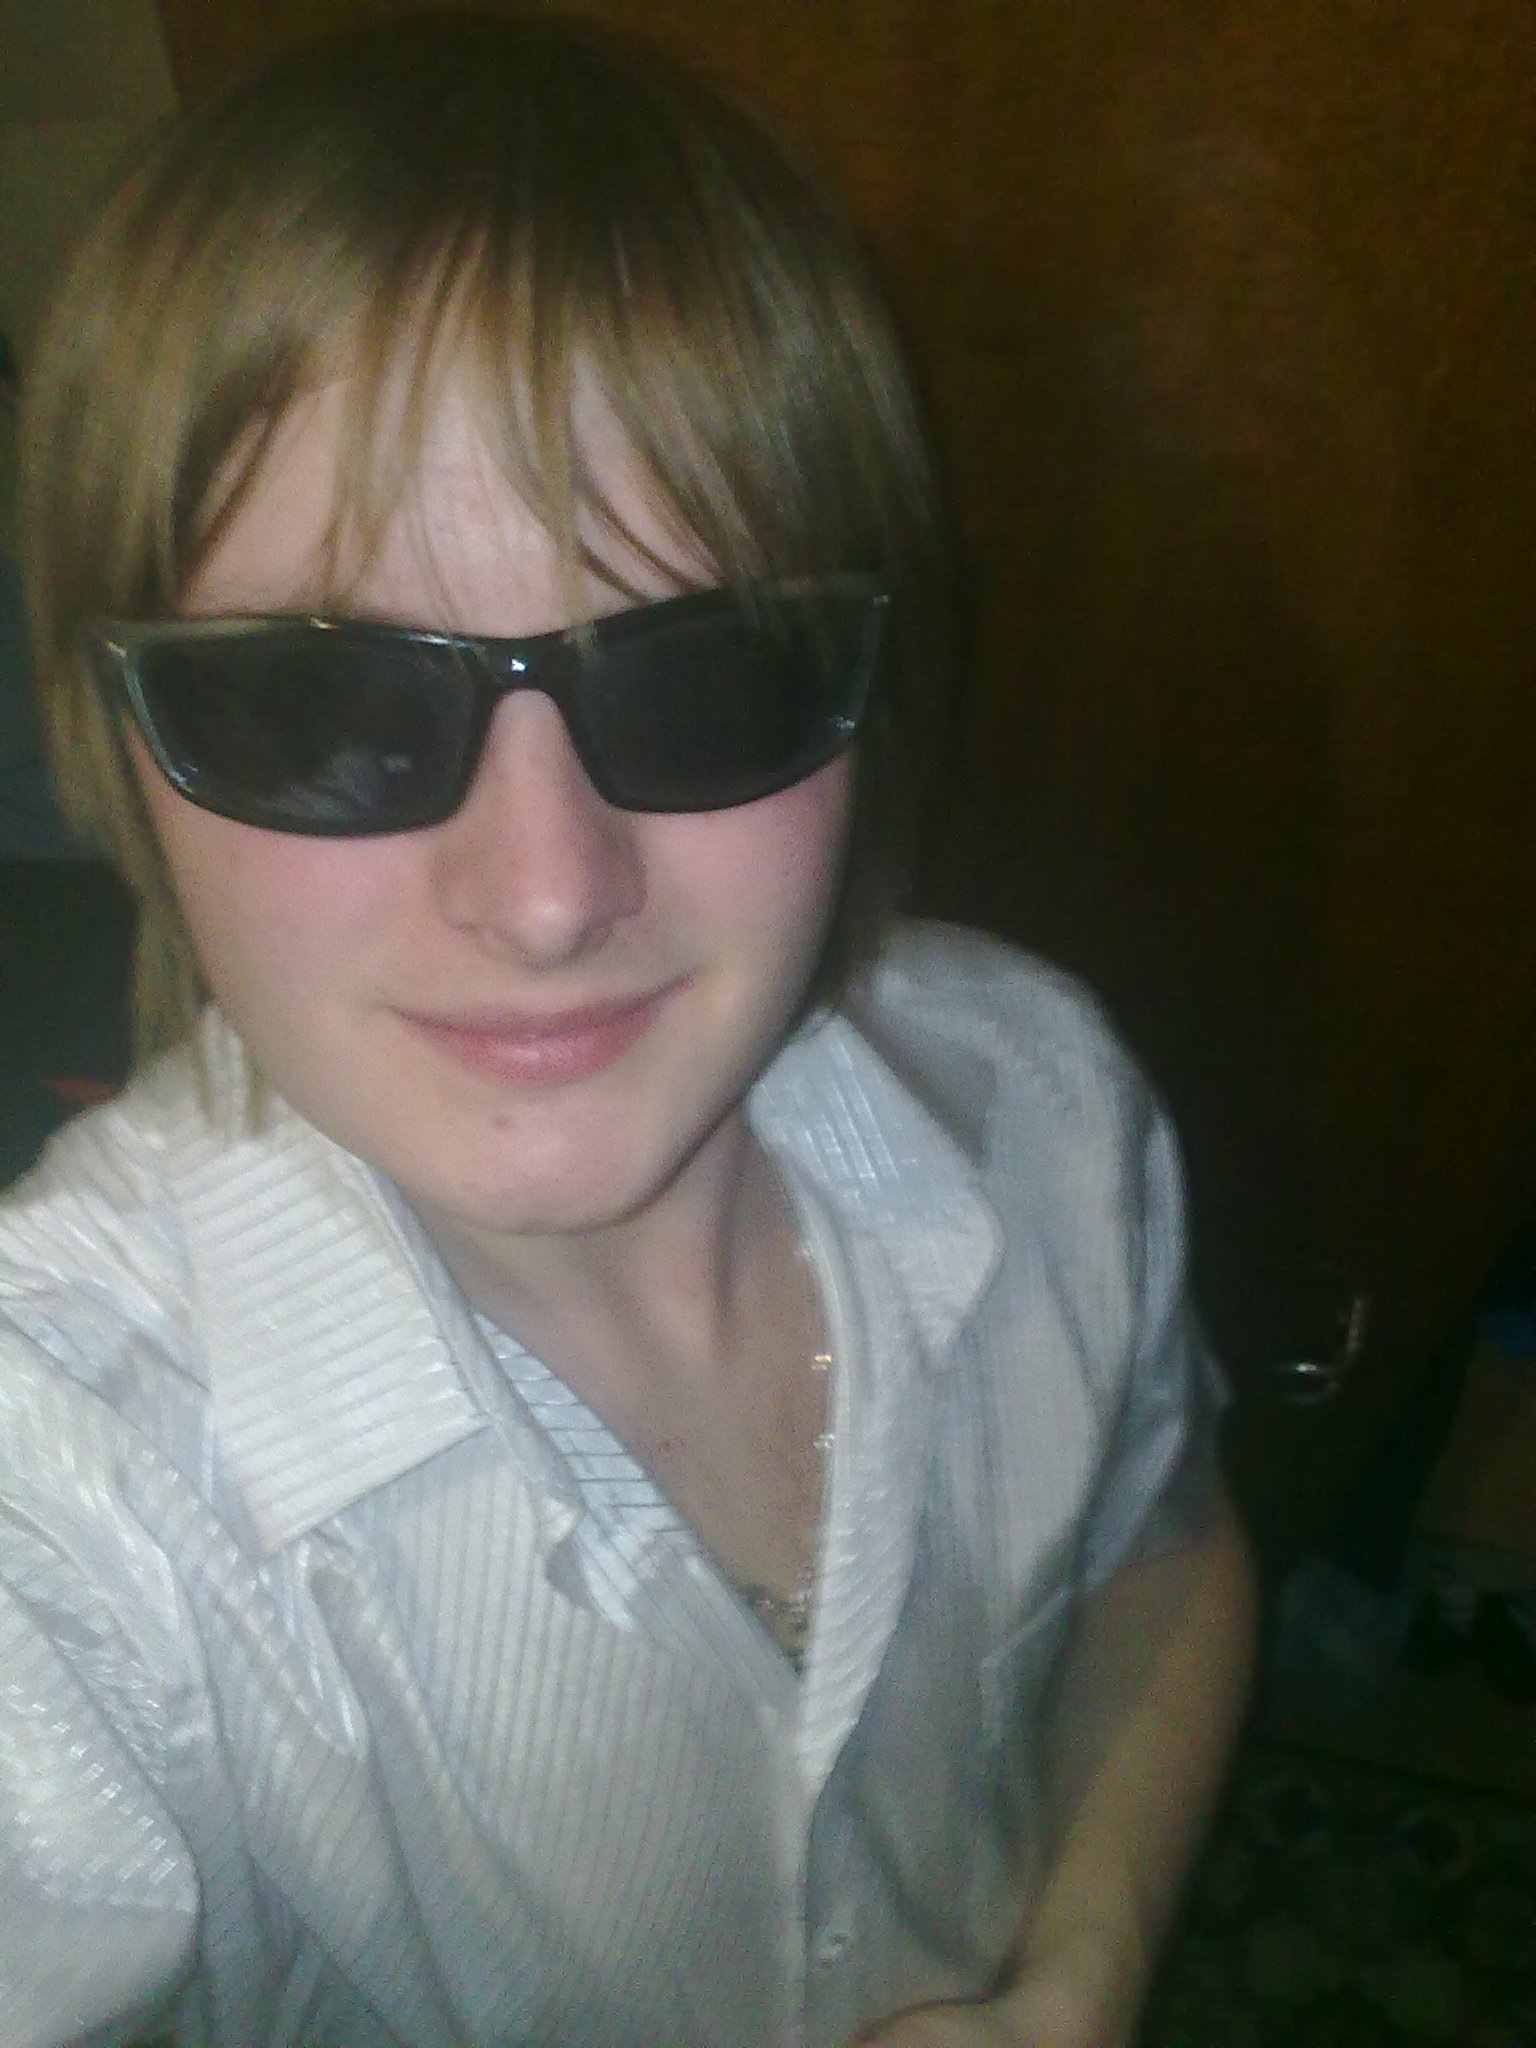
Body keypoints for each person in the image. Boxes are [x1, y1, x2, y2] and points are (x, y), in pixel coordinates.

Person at [1, 12, 1255, 2046]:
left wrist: (1079, 1973)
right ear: (117, 745)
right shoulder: (64, 1468)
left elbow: (1161, 1553)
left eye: (703, 674)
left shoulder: (1043, 1103)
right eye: (320, 705)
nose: (547, 890)